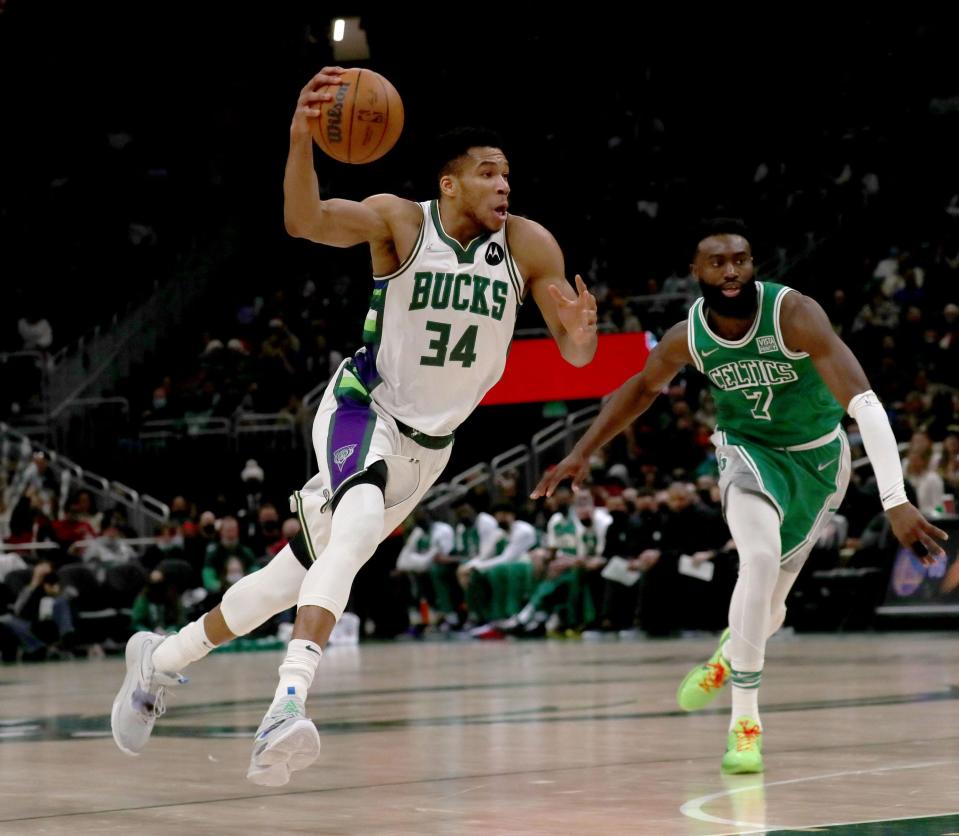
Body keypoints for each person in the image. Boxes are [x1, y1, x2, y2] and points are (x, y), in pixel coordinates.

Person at [111, 65, 598, 786]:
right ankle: (287, 702)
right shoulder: (401, 221)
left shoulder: (528, 245)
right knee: (359, 519)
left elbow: (575, 353)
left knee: (281, 585)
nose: (504, 186)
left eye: (508, 175)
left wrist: (581, 333)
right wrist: (301, 140)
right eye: (488, 174)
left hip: (429, 451)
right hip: (362, 409)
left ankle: (159, 659)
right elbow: (303, 221)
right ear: (449, 183)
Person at [533, 218, 946, 774]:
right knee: (755, 559)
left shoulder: (794, 314)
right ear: (695, 272)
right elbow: (641, 387)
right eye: (718, 262)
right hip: (747, 452)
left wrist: (894, 499)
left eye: (741, 260)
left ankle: (730, 653)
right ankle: (744, 723)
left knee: (770, 607)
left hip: (819, 462)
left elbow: (865, 403)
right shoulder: (689, 335)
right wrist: (583, 449)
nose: (731, 271)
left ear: (753, 265)